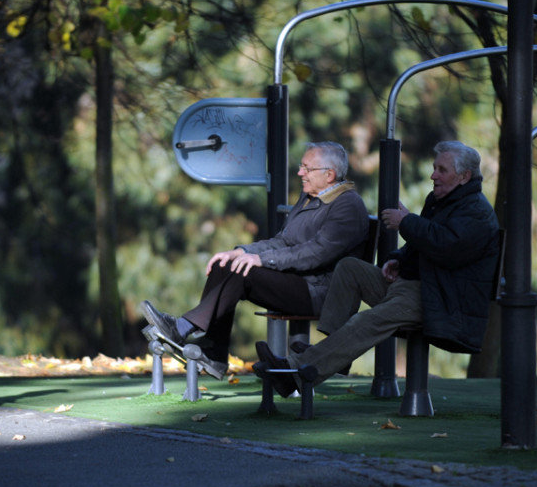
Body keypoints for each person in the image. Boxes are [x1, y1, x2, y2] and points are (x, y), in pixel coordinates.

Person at [255, 141, 500, 397]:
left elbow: (448, 247)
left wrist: (407, 222)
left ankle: (293, 373)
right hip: (418, 286)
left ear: (464, 177)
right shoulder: (441, 201)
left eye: (442, 170)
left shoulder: (476, 212)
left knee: (367, 320)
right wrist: (398, 259)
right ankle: (335, 352)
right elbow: (422, 246)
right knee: (350, 268)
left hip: (440, 299)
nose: (433, 175)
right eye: (434, 168)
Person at [141, 141, 369, 379]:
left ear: (329, 174)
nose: (300, 173)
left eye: (307, 169)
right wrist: (241, 252)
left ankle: (182, 329)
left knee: (244, 270)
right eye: (301, 167)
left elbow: (316, 253)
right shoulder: (311, 197)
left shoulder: (347, 205)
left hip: (321, 293)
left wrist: (261, 260)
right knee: (228, 263)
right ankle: (213, 352)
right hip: (299, 281)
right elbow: (284, 241)